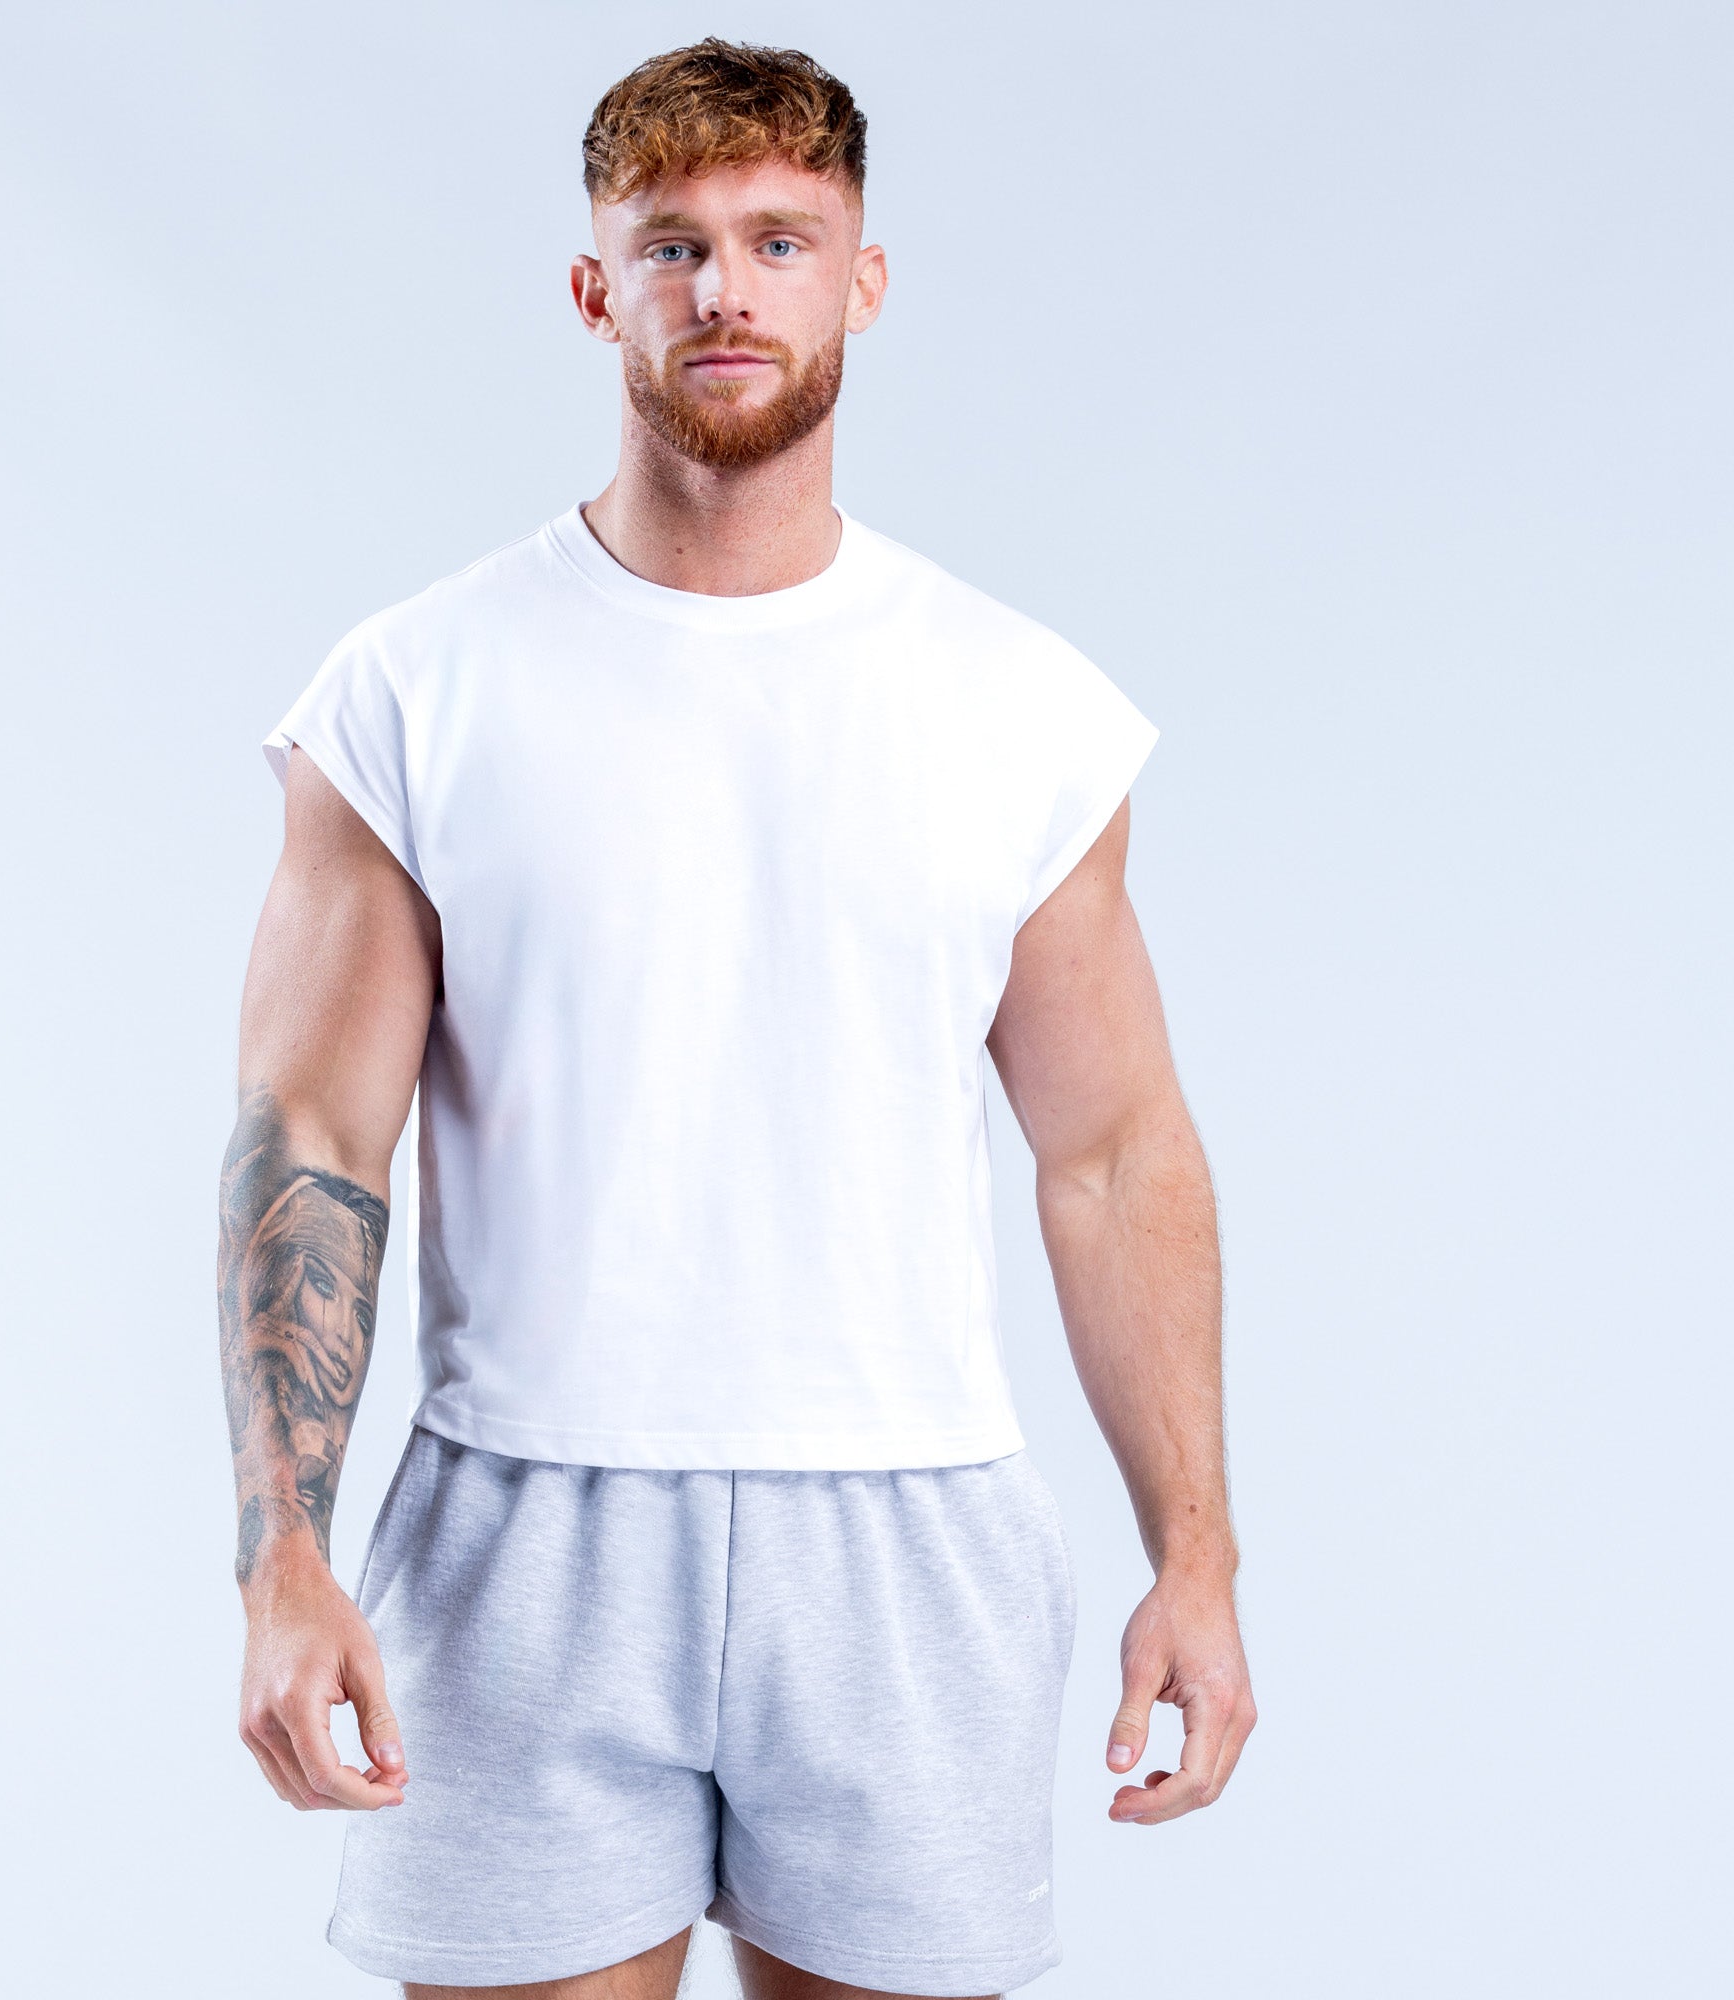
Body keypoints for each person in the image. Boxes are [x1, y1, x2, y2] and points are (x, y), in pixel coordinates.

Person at [217, 37, 1255, 2000]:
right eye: (672, 244)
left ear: (863, 279)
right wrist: (283, 1562)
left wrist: (1193, 1558)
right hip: (527, 1524)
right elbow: (314, 1140)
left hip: (907, 1520)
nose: (726, 290)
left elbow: (1112, 1155)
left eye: (780, 240)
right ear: (594, 288)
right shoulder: (414, 691)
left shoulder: (1017, 707)